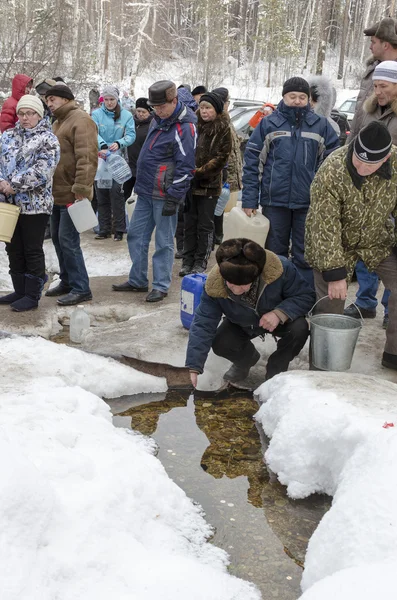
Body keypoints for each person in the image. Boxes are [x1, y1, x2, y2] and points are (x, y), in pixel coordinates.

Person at [305, 121, 397, 371]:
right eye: (358, 160)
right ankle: (324, 364)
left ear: (386, 158)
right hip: (335, 244)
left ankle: (394, 354)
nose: (362, 167)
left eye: (370, 164)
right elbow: (323, 224)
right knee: (331, 302)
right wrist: (335, 273)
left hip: (376, 239)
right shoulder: (333, 168)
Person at [242, 76, 339, 288]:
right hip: (274, 201)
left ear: (309, 100)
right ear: (284, 97)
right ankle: (274, 295)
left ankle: (302, 297)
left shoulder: (321, 126)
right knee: (275, 252)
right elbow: (252, 164)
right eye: (292, 96)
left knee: (305, 254)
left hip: (308, 203)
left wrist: (325, 200)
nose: (297, 100)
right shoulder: (268, 124)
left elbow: (331, 167)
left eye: (302, 97)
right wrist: (249, 199)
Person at [186, 238, 314, 387]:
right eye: (231, 284)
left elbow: (306, 295)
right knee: (221, 342)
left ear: (256, 276)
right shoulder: (214, 285)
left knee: (300, 328)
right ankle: (245, 360)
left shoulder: (281, 268)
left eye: (243, 286)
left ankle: (276, 368)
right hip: (242, 321)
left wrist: (279, 313)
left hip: (279, 320)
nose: (236, 290)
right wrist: (192, 368)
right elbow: (203, 325)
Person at [112, 80, 196, 302]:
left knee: (163, 242)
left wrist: (175, 197)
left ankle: (161, 285)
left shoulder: (184, 127)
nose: (157, 111)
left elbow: (187, 166)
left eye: (162, 106)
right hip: (146, 190)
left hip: (165, 194)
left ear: (174, 101)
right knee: (136, 236)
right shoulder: (157, 121)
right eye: (155, 107)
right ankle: (138, 280)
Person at [344, 61, 397, 328]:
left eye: (383, 86)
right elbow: (352, 142)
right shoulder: (368, 111)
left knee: (391, 251)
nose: (378, 91)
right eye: (375, 86)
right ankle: (365, 302)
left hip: (392, 192)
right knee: (365, 247)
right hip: (364, 190)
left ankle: (391, 308)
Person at [0, 95, 60, 311]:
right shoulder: (8, 136)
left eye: (30, 113)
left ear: (39, 114)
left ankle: (32, 295)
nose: (25, 118)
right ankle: (20, 289)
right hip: (9, 204)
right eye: (21, 113)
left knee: (31, 249)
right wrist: (1, 182)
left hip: (36, 205)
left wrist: (14, 184)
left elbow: (43, 170)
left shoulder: (48, 139)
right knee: (13, 247)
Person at [44, 83, 98, 306]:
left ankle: (81, 287)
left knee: (68, 240)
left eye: (52, 99)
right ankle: (66, 280)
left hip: (72, 193)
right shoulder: (58, 122)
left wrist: (81, 189)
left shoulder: (81, 120)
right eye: (47, 100)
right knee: (57, 237)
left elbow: (87, 157)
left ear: (65, 99)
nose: (49, 103)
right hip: (57, 192)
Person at [180, 91, 232, 276]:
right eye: (201, 107)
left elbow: (221, 158)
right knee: (189, 223)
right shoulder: (194, 126)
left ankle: (200, 261)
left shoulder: (223, 128)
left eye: (208, 108)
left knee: (205, 225)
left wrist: (198, 172)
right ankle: (187, 260)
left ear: (216, 110)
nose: (204, 111)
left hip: (209, 185)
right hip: (190, 184)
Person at [91, 85, 136, 241]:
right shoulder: (96, 114)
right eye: (107, 100)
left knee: (117, 194)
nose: (109, 103)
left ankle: (119, 229)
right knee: (101, 193)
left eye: (112, 100)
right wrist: (101, 145)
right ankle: (104, 228)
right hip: (101, 158)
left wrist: (119, 142)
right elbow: (93, 132)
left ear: (117, 100)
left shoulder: (126, 115)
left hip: (118, 159)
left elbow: (131, 135)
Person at [350, 17, 397, 138]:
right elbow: (360, 113)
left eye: (373, 42)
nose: (370, 47)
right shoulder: (372, 69)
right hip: (361, 142)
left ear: (385, 45)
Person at [211, 87, 243, 245]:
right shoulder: (217, 120)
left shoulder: (226, 118)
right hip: (221, 172)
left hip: (227, 172)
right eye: (227, 101)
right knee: (215, 205)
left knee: (220, 204)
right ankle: (214, 236)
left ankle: (217, 234)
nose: (228, 105)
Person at [123, 97, 153, 201]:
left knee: (141, 197)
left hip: (144, 168)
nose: (140, 114)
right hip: (129, 166)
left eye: (143, 112)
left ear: (149, 112)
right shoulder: (130, 123)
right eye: (138, 111)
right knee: (124, 195)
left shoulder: (152, 125)